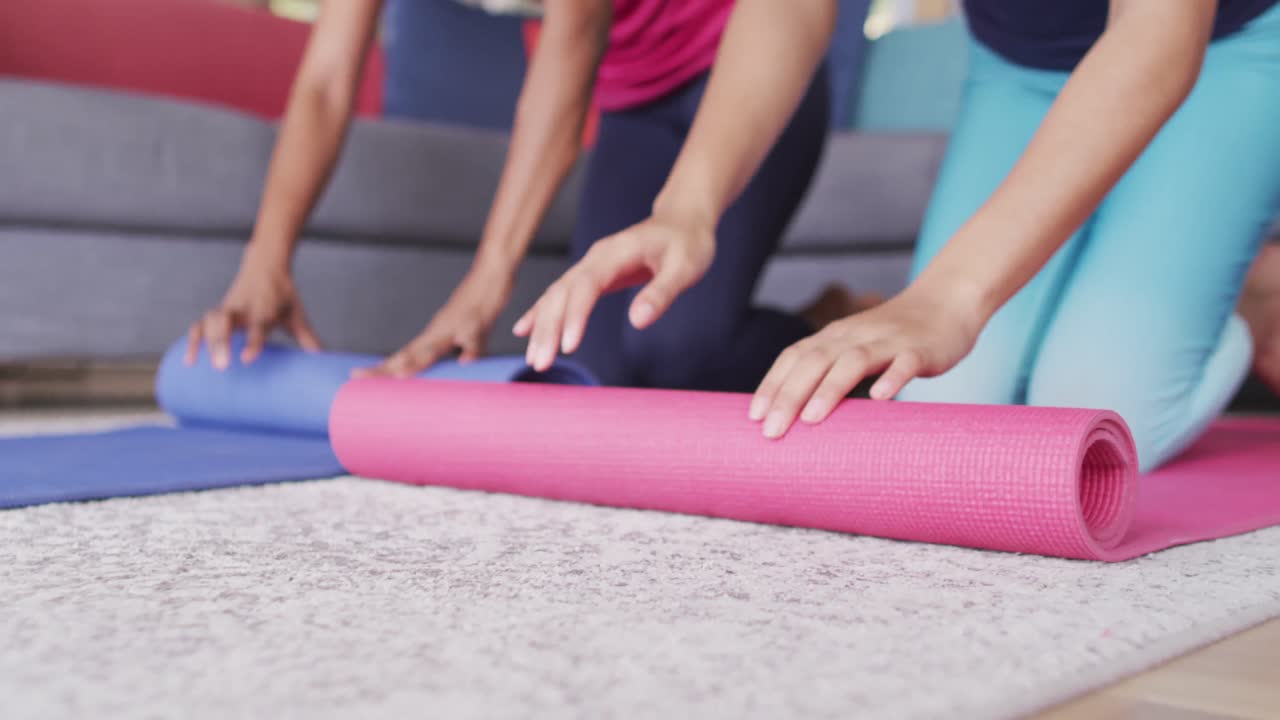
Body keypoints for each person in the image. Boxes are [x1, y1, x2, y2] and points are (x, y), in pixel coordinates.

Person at [518, 0, 1280, 471]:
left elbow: (1159, 32)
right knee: (959, 419)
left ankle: (1249, 302)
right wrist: (688, 206)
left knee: (1104, 419)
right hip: (1018, 71)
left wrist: (949, 297)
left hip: (1221, 48)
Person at [187, 0, 833, 393]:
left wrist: (489, 278)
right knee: (599, 377)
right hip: (636, 102)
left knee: (673, 355)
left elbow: (571, 43)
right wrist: (265, 260)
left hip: (753, 72)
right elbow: (326, 81)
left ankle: (831, 333)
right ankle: (822, 316)